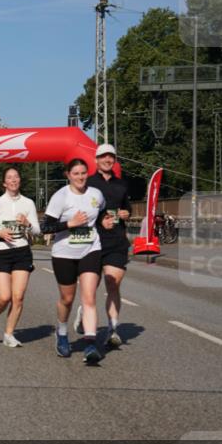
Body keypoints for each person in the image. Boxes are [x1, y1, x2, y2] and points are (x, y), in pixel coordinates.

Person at [41, 158, 113, 363]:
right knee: (67, 299)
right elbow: (46, 227)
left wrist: (104, 221)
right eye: (76, 174)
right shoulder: (60, 196)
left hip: (91, 249)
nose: (81, 177)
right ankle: (62, 333)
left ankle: (90, 344)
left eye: (83, 173)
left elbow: (100, 214)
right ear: (68, 175)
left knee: (89, 297)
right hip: (64, 253)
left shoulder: (95, 194)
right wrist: (70, 223)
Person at [0, 167, 41, 348]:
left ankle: (9, 334)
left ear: (20, 181)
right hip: (0, 251)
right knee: (4, 297)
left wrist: (27, 224)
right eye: (9, 178)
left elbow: (37, 231)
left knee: (18, 296)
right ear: (4, 183)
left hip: (21, 251)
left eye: (16, 177)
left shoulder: (28, 203)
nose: (13, 180)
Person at [78, 143, 130, 349]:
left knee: (113, 284)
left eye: (111, 157)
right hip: (92, 240)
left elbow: (126, 208)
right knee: (91, 288)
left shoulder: (122, 185)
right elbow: (80, 210)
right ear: (96, 160)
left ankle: (112, 328)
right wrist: (100, 220)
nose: (108, 160)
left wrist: (126, 213)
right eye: (104, 157)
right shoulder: (87, 183)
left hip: (116, 241)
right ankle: (85, 310)